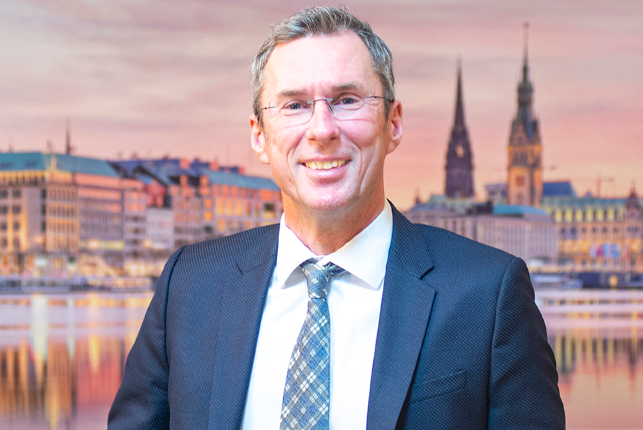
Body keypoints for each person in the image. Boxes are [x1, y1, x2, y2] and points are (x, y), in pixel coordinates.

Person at [108, 6, 565, 430]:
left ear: (393, 123)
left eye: (347, 100)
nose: (322, 129)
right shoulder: (189, 286)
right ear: (259, 136)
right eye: (294, 105)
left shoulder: (489, 295)